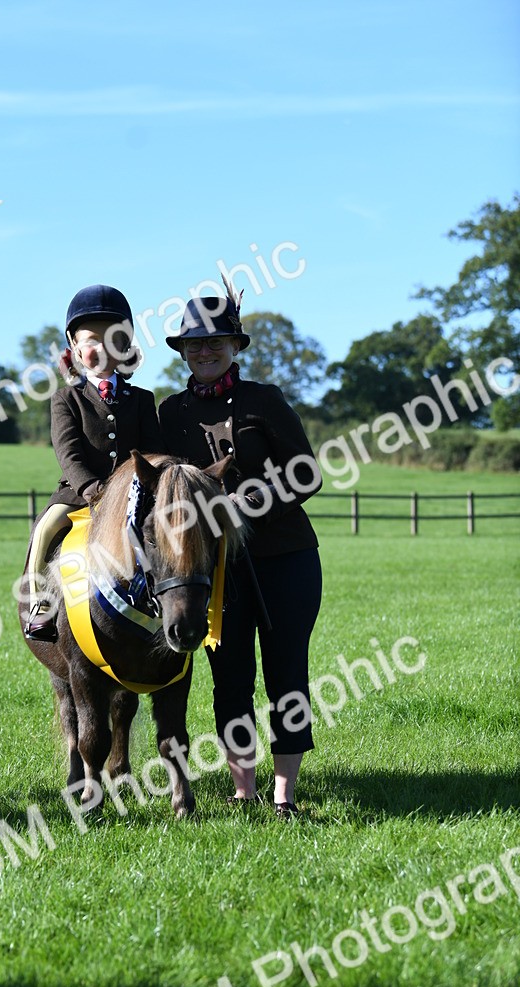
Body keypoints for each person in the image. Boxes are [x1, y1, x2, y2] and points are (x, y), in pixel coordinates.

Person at [157, 286, 323, 817]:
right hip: (214, 570)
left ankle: (284, 796)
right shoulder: (170, 413)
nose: (205, 352)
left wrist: (249, 503)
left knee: (286, 677)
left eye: (216, 342)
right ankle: (243, 791)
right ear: (183, 352)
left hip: (285, 559)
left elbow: (307, 473)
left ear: (235, 346)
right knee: (230, 680)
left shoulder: (265, 400)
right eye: (195, 344)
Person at [23, 284, 163, 641]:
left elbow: (152, 451)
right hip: (78, 493)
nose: (101, 349)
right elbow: (67, 451)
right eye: (91, 341)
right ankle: (41, 604)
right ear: (74, 347)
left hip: (134, 493)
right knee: (45, 529)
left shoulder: (143, 400)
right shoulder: (66, 398)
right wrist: (90, 488)